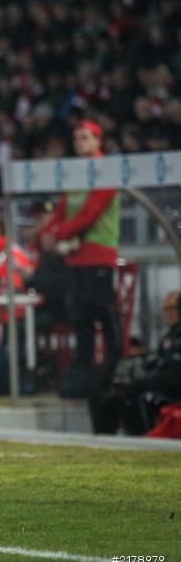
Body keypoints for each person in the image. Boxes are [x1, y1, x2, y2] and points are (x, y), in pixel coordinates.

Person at [40, 119, 122, 401]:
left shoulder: (105, 171)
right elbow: (64, 209)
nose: (80, 143)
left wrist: (56, 233)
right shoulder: (75, 173)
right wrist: (48, 233)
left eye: (85, 138)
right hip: (75, 257)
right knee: (81, 318)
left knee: (104, 315)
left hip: (98, 253)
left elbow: (90, 214)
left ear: (98, 141)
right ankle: (86, 375)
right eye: (77, 138)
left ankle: (113, 368)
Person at [93, 291, 181, 434]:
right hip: (160, 379)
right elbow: (155, 362)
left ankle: (142, 437)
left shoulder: (176, 337)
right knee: (104, 396)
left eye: (173, 308)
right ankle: (103, 438)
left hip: (173, 385)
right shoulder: (168, 336)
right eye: (166, 309)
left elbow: (173, 371)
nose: (169, 313)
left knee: (137, 390)